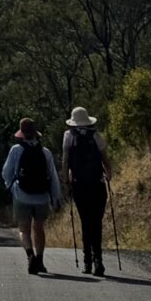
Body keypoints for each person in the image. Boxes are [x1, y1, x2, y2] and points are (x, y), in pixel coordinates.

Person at [0, 117, 58, 274]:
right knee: (39, 228)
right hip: (42, 196)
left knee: (24, 229)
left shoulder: (16, 150)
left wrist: (11, 188)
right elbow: (52, 176)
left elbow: (6, 173)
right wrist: (55, 197)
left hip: (22, 195)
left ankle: (30, 255)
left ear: (22, 134)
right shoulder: (45, 152)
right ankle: (40, 259)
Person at [61, 105, 112, 277]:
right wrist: (108, 176)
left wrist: (66, 180)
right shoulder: (96, 135)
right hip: (97, 185)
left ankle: (87, 262)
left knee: (85, 221)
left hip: (79, 185)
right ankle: (99, 261)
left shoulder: (68, 136)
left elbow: (65, 160)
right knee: (96, 223)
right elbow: (106, 160)